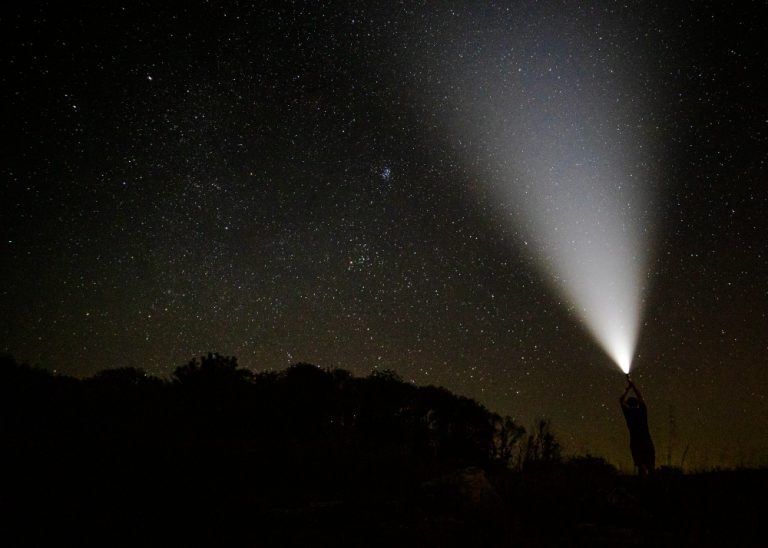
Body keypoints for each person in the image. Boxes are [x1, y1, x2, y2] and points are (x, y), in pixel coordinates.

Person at [620, 378, 655, 477]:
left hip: (635, 442)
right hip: (647, 440)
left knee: (641, 465)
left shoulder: (628, 414)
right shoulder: (642, 411)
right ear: (637, 404)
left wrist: (627, 389)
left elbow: (620, 400)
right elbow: (640, 398)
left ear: (628, 404)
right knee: (651, 465)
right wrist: (633, 386)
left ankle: (642, 487)